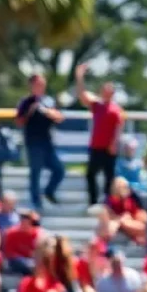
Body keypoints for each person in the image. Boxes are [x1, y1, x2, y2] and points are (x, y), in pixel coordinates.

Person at [75, 63, 125, 206]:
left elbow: (119, 127)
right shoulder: (97, 105)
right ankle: (93, 200)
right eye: (104, 89)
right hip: (96, 146)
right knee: (90, 174)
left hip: (109, 148)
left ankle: (108, 202)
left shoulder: (116, 109)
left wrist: (114, 143)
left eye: (109, 90)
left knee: (109, 176)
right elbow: (82, 95)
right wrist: (79, 76)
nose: (106, 92)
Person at [16, 74, 65, 210]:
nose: (41, 87)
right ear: (31, 86)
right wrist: (30, 111)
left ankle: (49, 191)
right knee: (35, 173)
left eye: (43, 84)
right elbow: (19, 122)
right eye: (38, 85)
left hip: (47, 142)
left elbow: (60, 117)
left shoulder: (49, 101)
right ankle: (36, 202)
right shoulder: (25, 102)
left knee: (59, 170)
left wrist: (51, 113)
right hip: (33, 142)